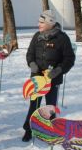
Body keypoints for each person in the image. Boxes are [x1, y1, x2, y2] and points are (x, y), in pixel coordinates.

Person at [22, 10, 75, 142]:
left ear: (50, 23)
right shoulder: (37, 36)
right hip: (37, 79)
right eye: (39, 21)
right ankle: (29, 129)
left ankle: (52, 130)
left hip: (53, 79)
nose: (38, 24)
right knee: (34, 105)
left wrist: (58, 70)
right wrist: (32, 64)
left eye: (41, 22)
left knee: (50, 106)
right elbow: (30, 54)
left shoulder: (62, 38)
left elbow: (69, 58)